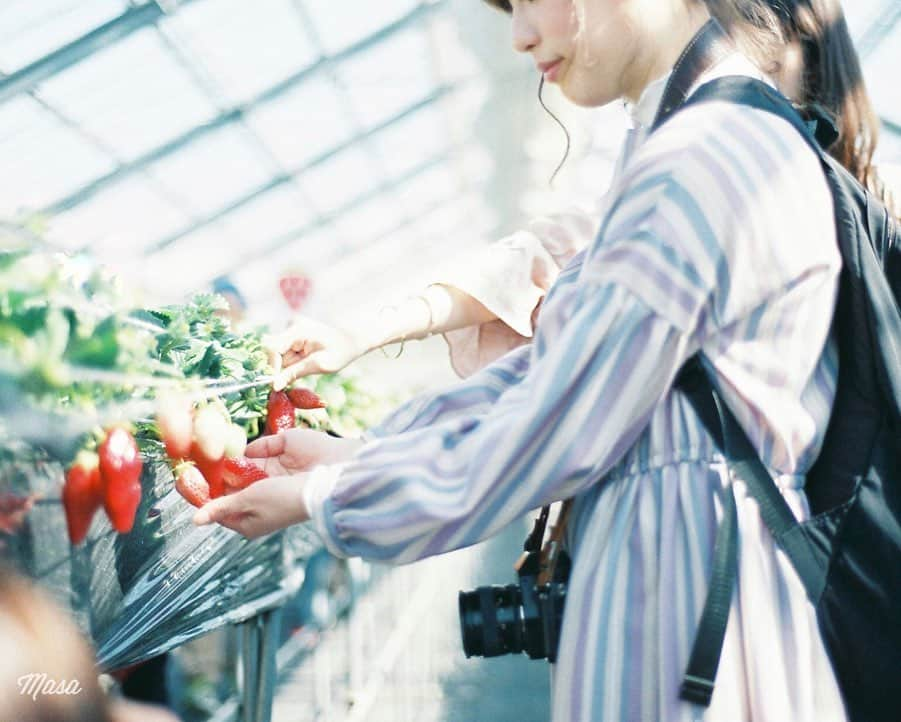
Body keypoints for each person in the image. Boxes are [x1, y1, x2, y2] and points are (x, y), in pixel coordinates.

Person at [195, 0, 858, 719]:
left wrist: (331, 497)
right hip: (688, 585)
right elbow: (553, 373)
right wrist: (358, 456)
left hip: (684, 607)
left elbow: (557, 424)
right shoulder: (698, 139)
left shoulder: (700, 157)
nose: (518, 34)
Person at [266, 0, 896, 388]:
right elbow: (557, 252)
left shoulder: (710, 150)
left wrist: (346, 479)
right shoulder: (684, 136)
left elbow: (571, 396)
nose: (519, 35)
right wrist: (362, 332)